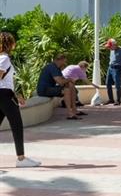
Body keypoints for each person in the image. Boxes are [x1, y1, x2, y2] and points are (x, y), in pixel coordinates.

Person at [0, 32, 40, 168]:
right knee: (16, 126)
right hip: (4, 96)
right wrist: (13, 95)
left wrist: (17, 95)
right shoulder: (4, 59)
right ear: (10, 44)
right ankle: (21, 159)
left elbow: (5, 80)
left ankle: (21, 158)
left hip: (4, 94)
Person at [36, 53, 83, 119]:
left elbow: (63, 79)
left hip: (50, 88)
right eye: (64, 61)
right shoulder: (52, 67)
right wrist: (69, 79)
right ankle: (70, 113)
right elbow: (60, 82)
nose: (64, 63)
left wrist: (69, 81)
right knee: (66, 89)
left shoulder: (56, 68)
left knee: (70, 85)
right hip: (44, 90)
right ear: (60, 60)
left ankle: (74, 110)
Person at [103, 38, 121, 106]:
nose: (109, 48)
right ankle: (111, 99)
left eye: (110, 46)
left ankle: (118, 101)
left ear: (114, 45)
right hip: (110, 68)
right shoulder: (111, 50)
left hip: (117, 69)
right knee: (107, 83)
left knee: (117, 85)